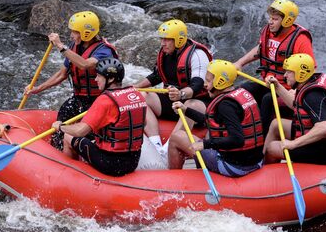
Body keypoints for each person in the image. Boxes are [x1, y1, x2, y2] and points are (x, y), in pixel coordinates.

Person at [25, 11, 118, 150]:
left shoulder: (104, 51)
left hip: (99, 101)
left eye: (74, 32)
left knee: (89, 133)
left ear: (85, 33)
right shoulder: (74, 47)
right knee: (64, 114)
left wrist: (61, 47)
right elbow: (61, 74)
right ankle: (58, 151)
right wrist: (38, 89)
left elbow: (85, 64)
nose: (71, 35)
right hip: (80, 98)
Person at [168, 60, 264, 176]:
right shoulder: (239, 94)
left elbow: (237, 139)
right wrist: (185, 110)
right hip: (256, 162)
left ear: (220, 81)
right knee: (209, 135)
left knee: (176, 137)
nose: (205, 84)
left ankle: (172, 181)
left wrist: (205, 144)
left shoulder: (225, 106)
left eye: (208, 81)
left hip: (234, 167)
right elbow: (211, 121)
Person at [51, 58, 146, 176]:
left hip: (111, 163)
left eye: (99, 76)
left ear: (110, 79)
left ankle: (66, 175)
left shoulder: (105, 100)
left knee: (68, 136)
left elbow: (80, 131)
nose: (96, 79)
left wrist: (61, 127)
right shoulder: (136, 94)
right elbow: (144, 124)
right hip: (133, 160)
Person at [233, 0, 315, 135]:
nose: (270, 22)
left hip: (286, 88)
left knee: (267, 100)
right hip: (268, 82)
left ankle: (263, 138)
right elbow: (261, 49)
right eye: (270, 18)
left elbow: (310, 69)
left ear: (287, 21)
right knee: (243, 90)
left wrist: (297, 91)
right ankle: (240, 128)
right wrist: (240, 63)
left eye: (275, 19)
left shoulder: (300, 39)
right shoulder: (269, 31)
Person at [133, 19, 212, 154]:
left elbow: (197, 85)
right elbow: (157, 76)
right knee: (140, 95)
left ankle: (168, 147)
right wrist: (135, 87)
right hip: (173, 101)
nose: (163, 43)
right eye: (162, 39)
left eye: (167, 39)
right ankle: (156, 144)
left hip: (197, 106)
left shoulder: (198, 55)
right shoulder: (166, 53)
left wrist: (180, 94)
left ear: (179, 40)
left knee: (192, 104)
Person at [264, 54, 326, 165]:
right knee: (276, 125)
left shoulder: (312, 97)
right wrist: (278, 86)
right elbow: (295, 104)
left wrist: (293, 144)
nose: (285, 75)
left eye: (289, 72)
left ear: (301, 74)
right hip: (320, 142)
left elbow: (323, 128)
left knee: (272, 147)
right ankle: (262, 164)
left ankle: (267, 175)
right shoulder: (309, 82)